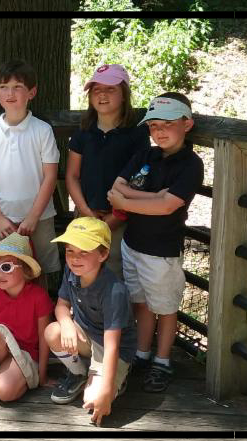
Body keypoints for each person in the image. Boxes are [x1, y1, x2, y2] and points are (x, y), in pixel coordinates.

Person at [107, 92, 204, 393]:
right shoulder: (146, 155)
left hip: (162, 252)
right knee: (141, 303)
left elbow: (167, 206)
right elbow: (117, 186)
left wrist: (128, 202)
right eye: (153, 126)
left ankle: (162, 361)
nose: (159, 131)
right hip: (132, 244)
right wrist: (154, 197)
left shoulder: (190, 164)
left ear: (187, 124)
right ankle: (142, 353)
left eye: (167, 124)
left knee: (165, 307)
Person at [44, 217, 137, 426]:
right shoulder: (71, 271)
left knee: (93, 400)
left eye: (84, 251)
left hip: (111, 349)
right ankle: (78, 373)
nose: (75, 258)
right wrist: (67, 323)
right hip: (86, 336)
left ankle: (117, 377)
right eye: (69, 251)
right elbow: (61, 305)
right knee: (53, 331)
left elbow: (112, 346)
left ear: (103, 255)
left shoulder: (114, 291)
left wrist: (106, 391)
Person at [0, 59, 60, 288]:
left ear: (31, 92)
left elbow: (50, 176)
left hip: (39, 217)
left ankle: (40, 309)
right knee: (1, 269)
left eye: (18, 87)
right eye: (4, 87)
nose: (10, 93)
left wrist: (33, 216)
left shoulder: (42, 130)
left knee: (38, 270)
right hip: (3, 219)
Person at [65, 64, 150, 279]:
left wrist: (117, 216)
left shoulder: (136, 133)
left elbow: (140, 179)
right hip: (86, 214)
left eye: (110, 89)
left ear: (124, 94)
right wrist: (85, 211)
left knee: (115, 272)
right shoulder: (84, 132)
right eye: (96, 89)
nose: (102, 94)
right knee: (82, 270)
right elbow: (72, 176)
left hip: (122, 217)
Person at [0, 232, 53, 402]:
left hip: (26, 354)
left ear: (26, 269)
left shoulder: (39, 297)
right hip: (2, 351)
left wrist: (42, 375)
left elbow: (44, 339)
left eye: (6, 267)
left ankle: (11, 374)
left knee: (4, 392)